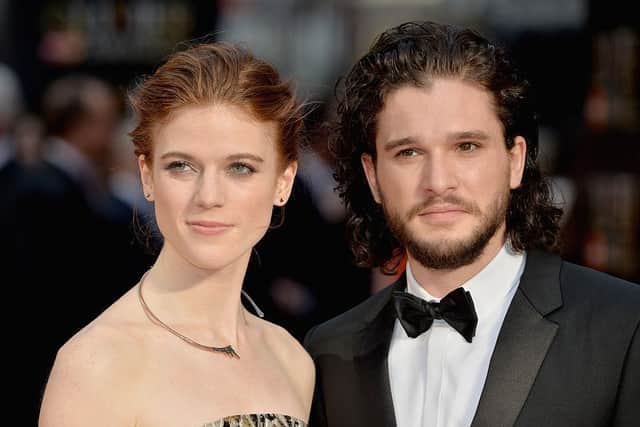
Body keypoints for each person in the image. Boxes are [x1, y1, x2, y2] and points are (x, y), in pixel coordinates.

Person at [304, 21, 639, 427]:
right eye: (409, 152)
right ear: (373, 176)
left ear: (515, 160)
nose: (438, 182)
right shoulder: (329, 353)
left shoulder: (623, 327)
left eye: (466, 147)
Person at [39, 42, 314, 427]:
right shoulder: (97, 363)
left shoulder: (292, 359)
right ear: (147, 176)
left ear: (283, 181)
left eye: (240, 168)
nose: (209, 197)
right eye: (181, 166)